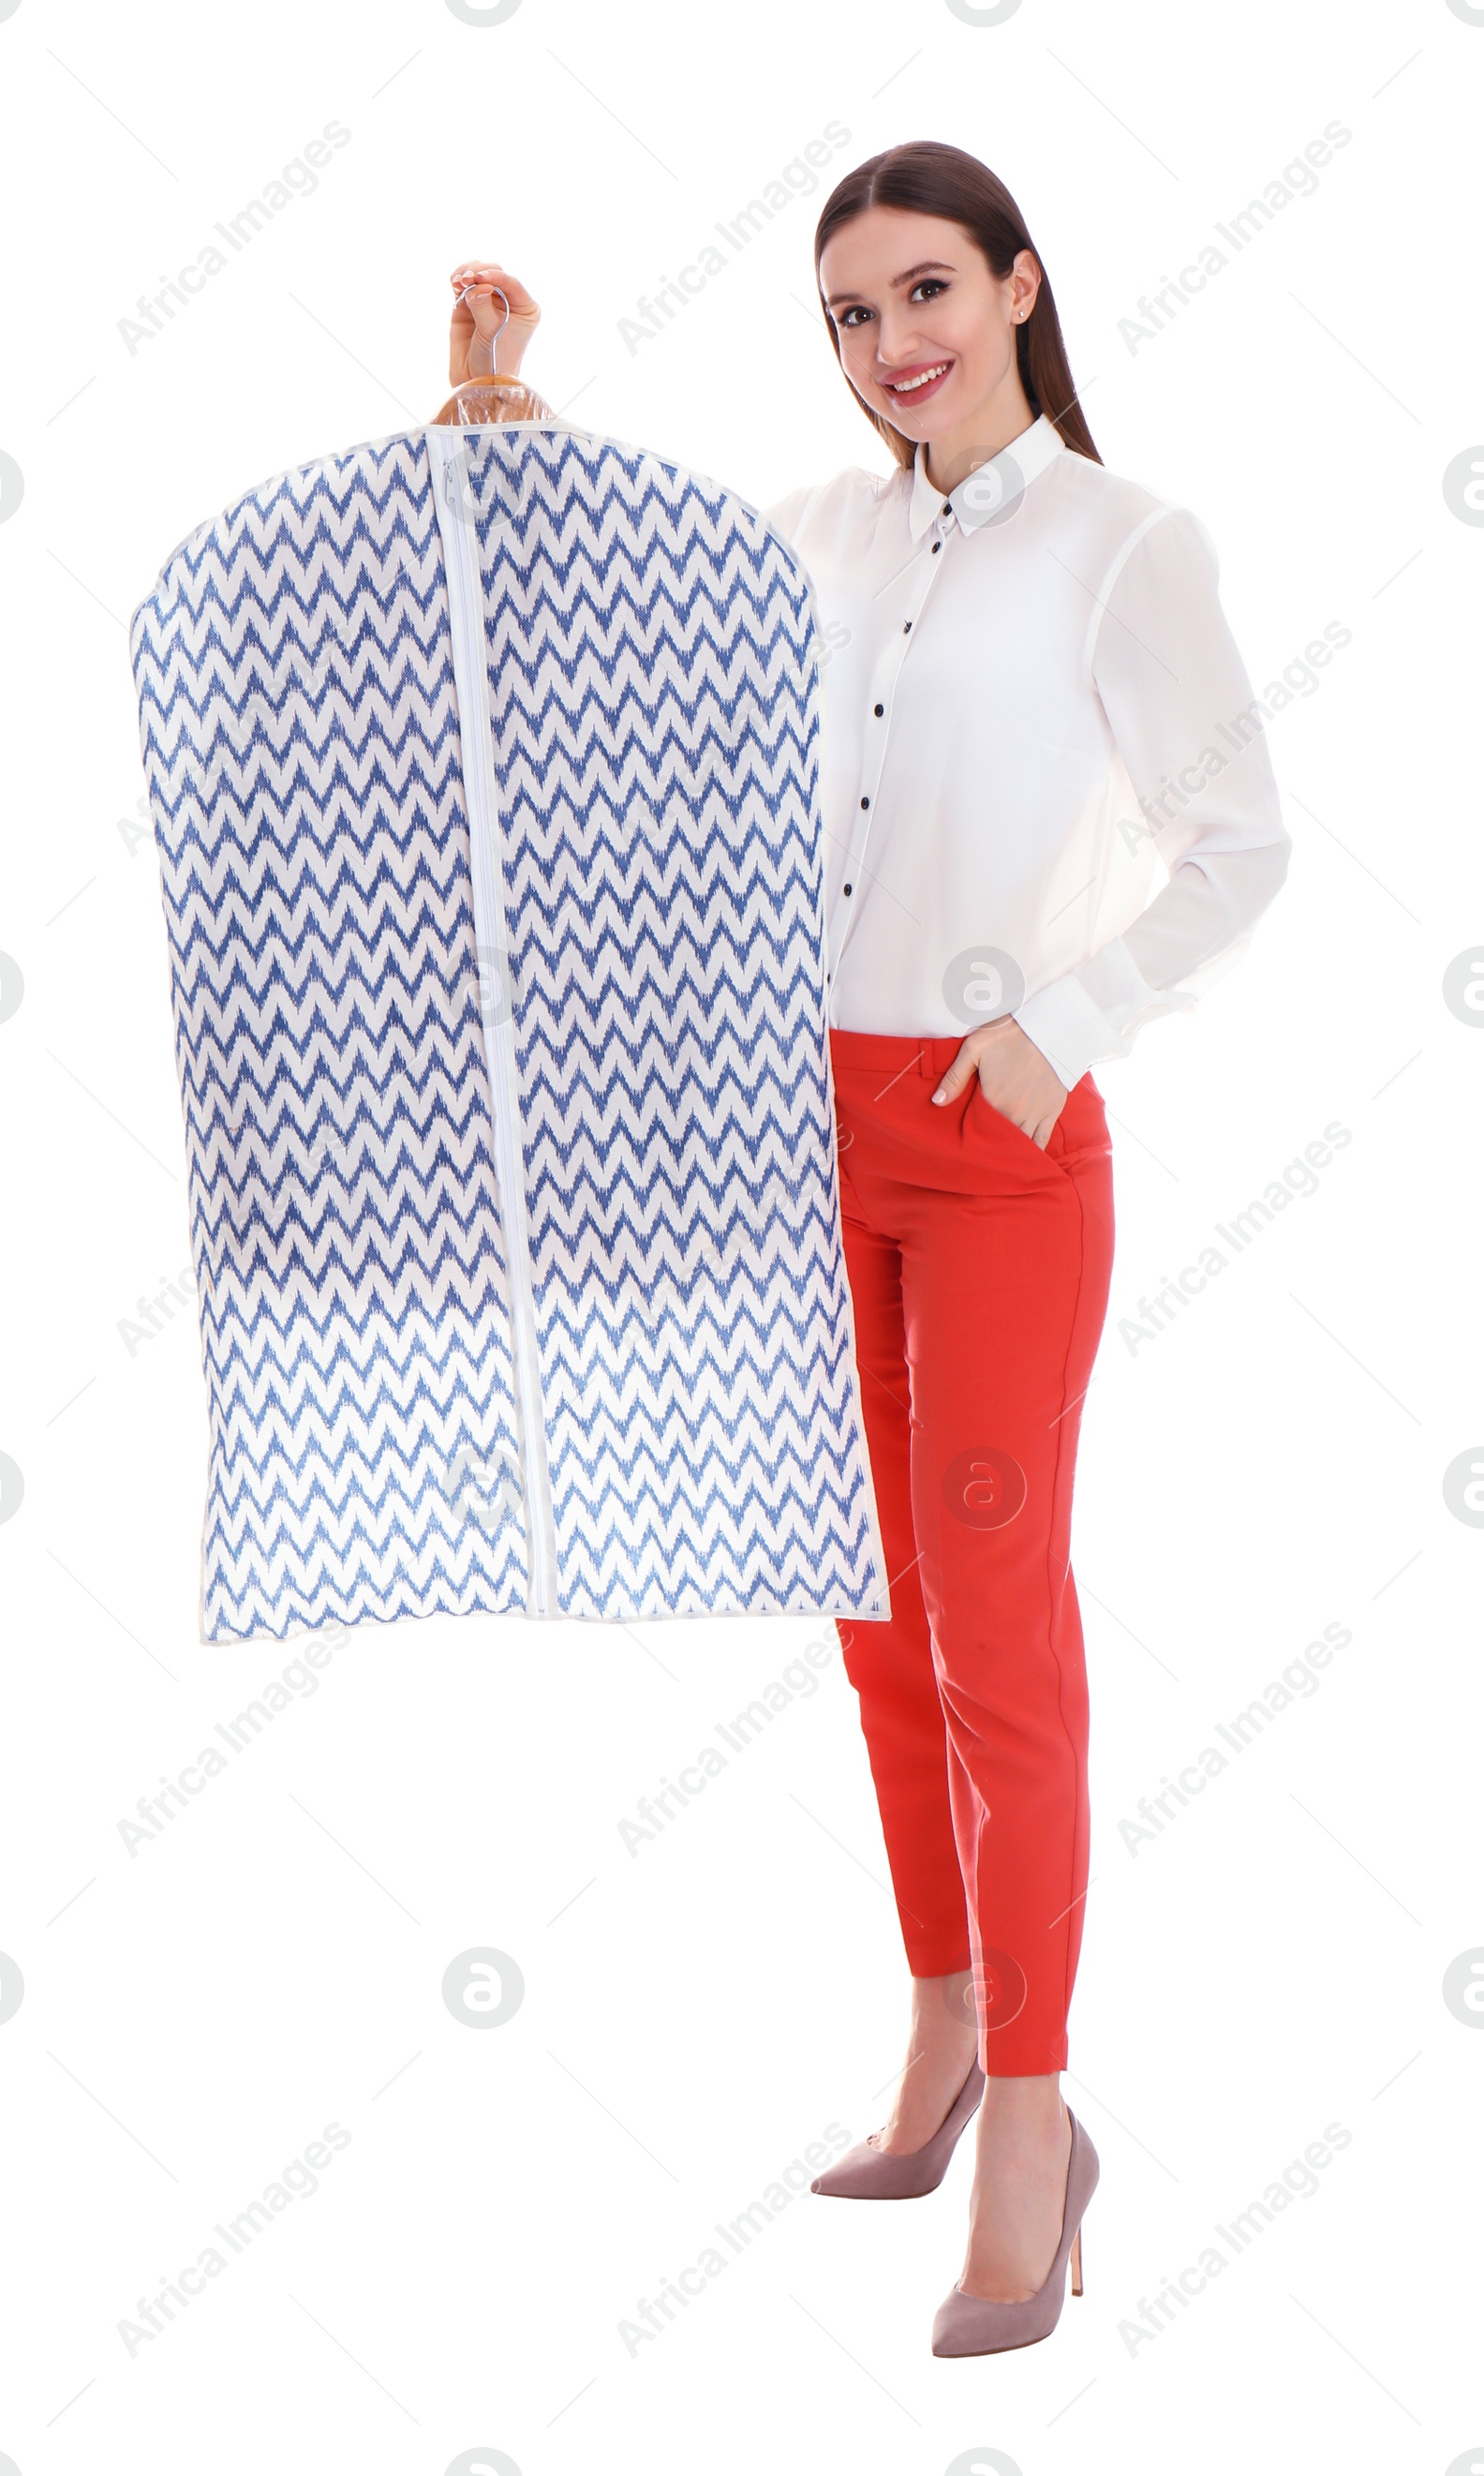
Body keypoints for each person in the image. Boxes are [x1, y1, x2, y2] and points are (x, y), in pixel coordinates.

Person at [436, 138, 1289, 2357]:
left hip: (995, 1140)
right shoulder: (810, 535)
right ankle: (933, 2020)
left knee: (994, 1620)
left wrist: (1063, 1028)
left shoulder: (1127, 546)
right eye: (844, 316)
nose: (888, 344)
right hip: (794, 1129)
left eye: (922, 291)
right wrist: (509, 413)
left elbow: (1242, 844)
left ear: (1015, 286)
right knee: (870, 1613)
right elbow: (601, 629)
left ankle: (1032, 2106)